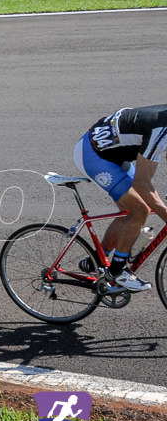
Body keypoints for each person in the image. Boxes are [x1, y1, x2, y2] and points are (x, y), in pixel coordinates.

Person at [73, 105, 167, 291]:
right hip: (93, 154)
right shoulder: (161, 129)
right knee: (138, 209)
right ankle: (117, 271)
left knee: (139, 208)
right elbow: (141, 182)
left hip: (112, 152)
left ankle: (97, 261)